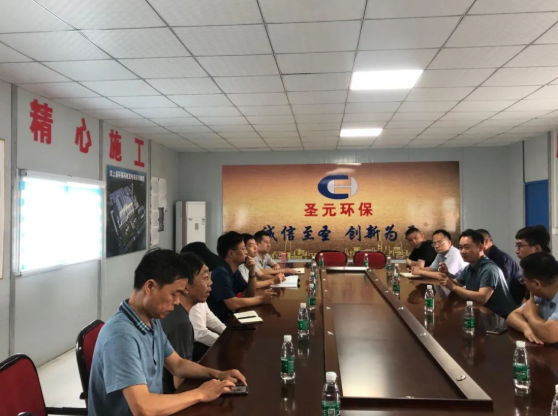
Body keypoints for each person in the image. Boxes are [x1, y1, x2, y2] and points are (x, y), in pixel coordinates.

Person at [88, 249, 245, 416]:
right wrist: (200, 394)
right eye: (174, 294)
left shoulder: (151, 321)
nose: (177, 301)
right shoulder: (120, 336)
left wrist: (218, 374)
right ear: (150, 287)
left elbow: (177, 364)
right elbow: (143, 408)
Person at [161, 253, 227, 392]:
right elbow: (180, 384)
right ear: (185, 286)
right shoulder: (181, 324)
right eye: (205, 278)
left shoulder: (172, 312)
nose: (210, 282)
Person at [439, 229, 517, 318]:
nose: (462, 251)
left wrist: (453, 287)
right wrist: (447, 275)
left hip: (501, 317)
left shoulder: (489, 269)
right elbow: (457, 283)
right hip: (483, 312)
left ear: (480, 248)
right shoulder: (470, 266)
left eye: (467, 247)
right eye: (460, 247)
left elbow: (482, 297)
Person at [207, 231, 276, 323]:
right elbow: (232, 303)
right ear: (231, 254)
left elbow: (249, 293)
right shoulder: (220, 272)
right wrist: (261, 299)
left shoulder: (234, 270)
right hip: (220, 323)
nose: (246, 252)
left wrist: (252, 272)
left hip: (230, 318)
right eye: (243, 249)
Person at [507, 252, 558, 345]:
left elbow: (549, 335)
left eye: (524, 280)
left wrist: (530, 314)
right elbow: (512, 316)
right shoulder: (540, 295)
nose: (524, 284)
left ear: (536, 284)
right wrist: (527, 328)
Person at [477, 229, 525, 304]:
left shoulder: (500, 259)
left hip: (512, 302)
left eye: (476, 243)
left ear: (486, 241)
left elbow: (501, 289)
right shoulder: (483, 259)